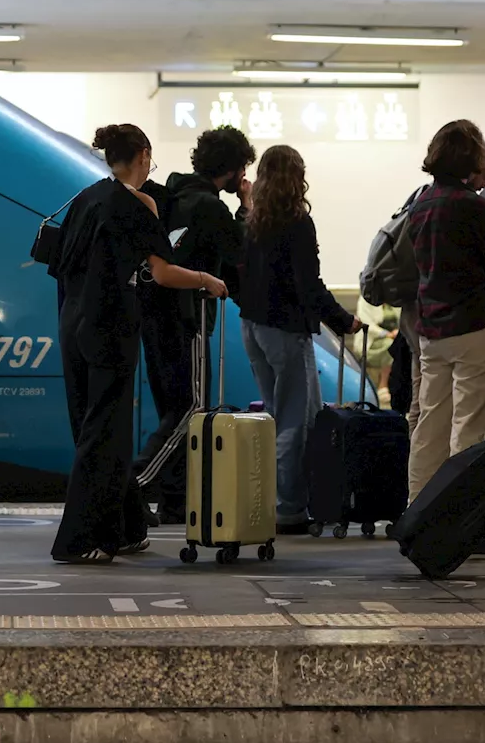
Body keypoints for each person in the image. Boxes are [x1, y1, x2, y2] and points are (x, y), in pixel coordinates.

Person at [49, 124, 227, 564]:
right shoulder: (138, 202)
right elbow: (163, 273)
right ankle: (77, 540)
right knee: (105, 431)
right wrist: (209, 280)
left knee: (91, 426)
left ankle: (126, 527)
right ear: (143, 155)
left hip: (72, 320)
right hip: (110, 324)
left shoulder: (85, 198)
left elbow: (58, 267)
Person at [239, 145, 360, 534]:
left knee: (276, 416)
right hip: (285, 330)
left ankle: (268, 501)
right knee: (295, 421)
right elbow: (309, 286)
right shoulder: (296, 223)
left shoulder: (253, 220)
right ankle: (289, 509)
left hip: (252, 327)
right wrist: (343, 320)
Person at [137, 127, 257, 522]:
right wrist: (246, 204)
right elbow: (241, 254)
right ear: (236, 169)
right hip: (186, 321)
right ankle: (127, 487)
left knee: (171, 410)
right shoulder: (210, 207)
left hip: (153, 318)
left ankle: (174, 501)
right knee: (190, 409)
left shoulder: (171, 197)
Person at [406, 120, 485, 501]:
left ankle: (418, 514)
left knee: (429, 429)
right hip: (472, 326)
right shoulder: (473, 206)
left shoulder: (422, 204)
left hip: (432, 331)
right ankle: (461, 524)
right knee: (471, 431)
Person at [355, 296, 400, 406]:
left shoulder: (397, 299)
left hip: (395, 337)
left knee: (402, 346)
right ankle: (383, 385)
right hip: (371, 342)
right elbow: (366, 324)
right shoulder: (365, 300)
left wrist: (398, 332)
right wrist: (387, 334)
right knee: (391, 346)